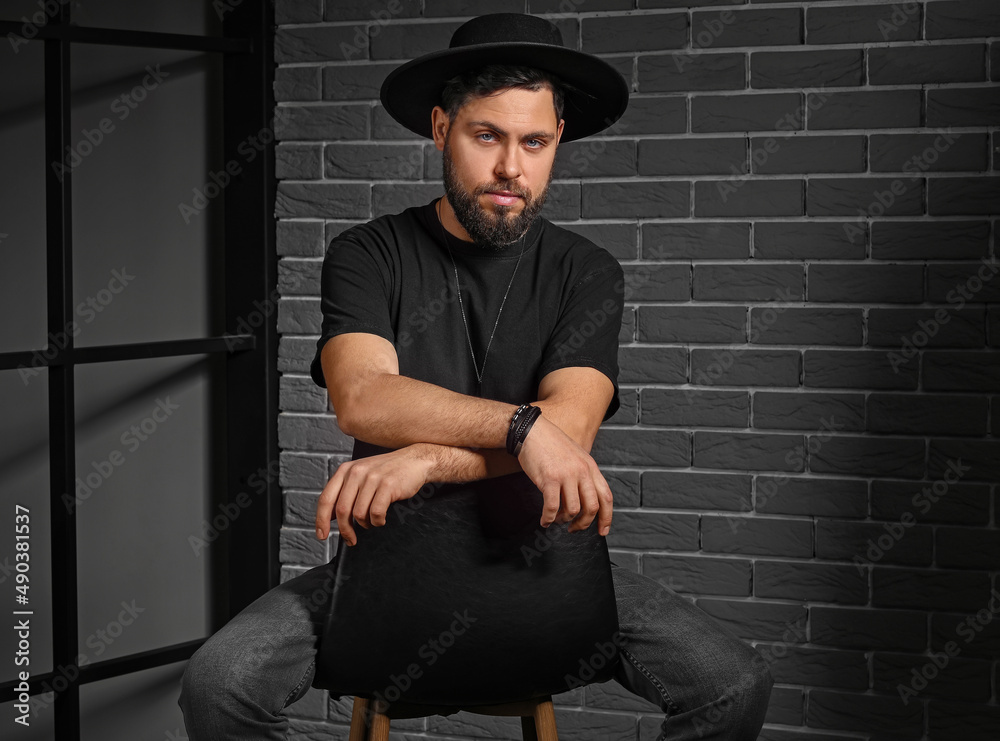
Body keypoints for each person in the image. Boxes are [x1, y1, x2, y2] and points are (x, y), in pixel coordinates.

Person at [179, 12, 773, 740]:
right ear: (439, 129)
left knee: (732, 684)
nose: (510, 170)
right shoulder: (368, 254)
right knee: (217, 684)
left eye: (534, 142)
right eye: (486, 135)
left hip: (551, 563)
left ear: (557, 142)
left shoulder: (585, 271)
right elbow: (364, 397)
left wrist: (425, 456)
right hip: (388, 565)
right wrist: (523, 428)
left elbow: (572, 430)